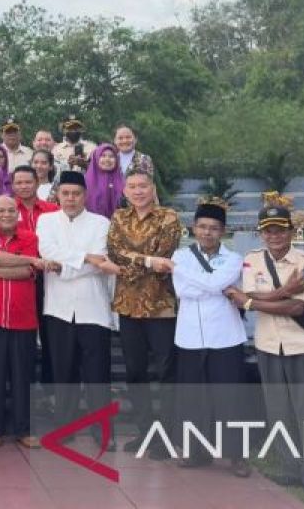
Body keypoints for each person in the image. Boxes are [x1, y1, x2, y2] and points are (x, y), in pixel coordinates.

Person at [225, 205, 304, 504]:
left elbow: (299, 307)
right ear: (261, 232)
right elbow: (249, 294)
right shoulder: (250, 261)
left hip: (303, 347)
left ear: (291, 231)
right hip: (269, 345)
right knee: (279, 412)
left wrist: (250, 302)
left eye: (280, 229)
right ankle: (291, 469)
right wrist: (284, 291)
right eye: (268, 230)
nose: (274, 235)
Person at [160, 199, 250, 477]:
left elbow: (210, 285)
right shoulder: (181, 255)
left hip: (225, 337)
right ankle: (195, 451)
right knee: (192, 398)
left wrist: (181, 272)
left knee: (229, 398)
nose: (207, 233)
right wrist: (205, 283)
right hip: (189, 337)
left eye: (213, 228)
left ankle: (236, 456)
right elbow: (183, 292)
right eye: (202, 227)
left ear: (223, 231)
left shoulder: (234, 259)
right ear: (193, 228)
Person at [36, 171, 121, 449]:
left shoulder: (100, 223)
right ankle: (66, 426)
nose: (71, 199)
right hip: (58, 308)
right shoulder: (46, 221)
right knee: (64, 370)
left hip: (93, 307)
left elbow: (101, 258)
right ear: (58, 195)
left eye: (76, 194)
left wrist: (63, 264)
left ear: (85, 195)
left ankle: (101, 429)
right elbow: (47, 251)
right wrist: (85, 258)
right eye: (66, 193)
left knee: (97, 372)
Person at [106, 168, 182, 456]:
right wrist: (148, 261)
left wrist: (138, 261)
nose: (138, 191)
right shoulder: (119, 217)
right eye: (133, 187)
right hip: (128, 305)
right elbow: (113, 252)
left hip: (160, 305)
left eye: (143, 186)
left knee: (166, 373)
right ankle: (145, 431)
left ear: (152, 189)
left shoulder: (168, 217)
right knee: (135, 372)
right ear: (125, 192)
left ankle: (166, 435)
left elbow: (166, 255)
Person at [0, 196, 48, 450]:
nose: (6, 214)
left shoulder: (29, 237)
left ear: (17, 213)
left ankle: (23, 429)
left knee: (23, 376)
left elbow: (26, 273)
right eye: (0, 210)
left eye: (10, 210)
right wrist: (27, 260)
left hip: (23, 318)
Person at [10, 165, 60, 385]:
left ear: (37, 184)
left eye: (27, 182)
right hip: (20, 275)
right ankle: (24, 387)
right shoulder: (7, 210)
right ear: (12, 186)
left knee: (51, 332)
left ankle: (50, 387)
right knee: (23, 334)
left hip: (51, 278)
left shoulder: (52, 210)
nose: (23, 186)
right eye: (18, 182)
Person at [84, 143, 125, 219]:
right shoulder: (84, 183)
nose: (107, 159)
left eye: (111, 156)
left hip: (117, 227)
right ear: (96, 158)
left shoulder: (125, 183)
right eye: (103, 156)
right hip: (91, 226)